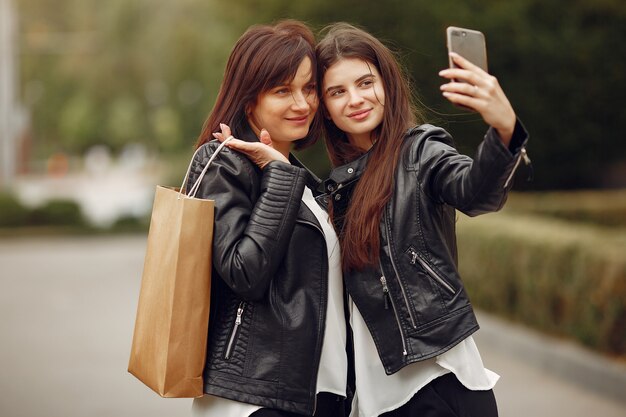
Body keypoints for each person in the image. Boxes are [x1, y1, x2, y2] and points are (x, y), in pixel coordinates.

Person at [315, 23, 530, 417]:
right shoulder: (338, 188)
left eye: (366, 83)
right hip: (374, 397)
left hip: (437, 382)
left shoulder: (421, 153)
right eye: (337, 91)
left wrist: (504, 128)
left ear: (388, 83)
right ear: (324, 107)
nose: (355, 99)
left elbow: (476, 193)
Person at [187, 20, 347, 417]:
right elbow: (244, 271)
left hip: (316, 391)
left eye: (309, 88)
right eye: (282, 91)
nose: (302, 103)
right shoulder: (224, 164)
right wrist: (278, 177)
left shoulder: (299, 176)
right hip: (253, 398)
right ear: (248, 102)